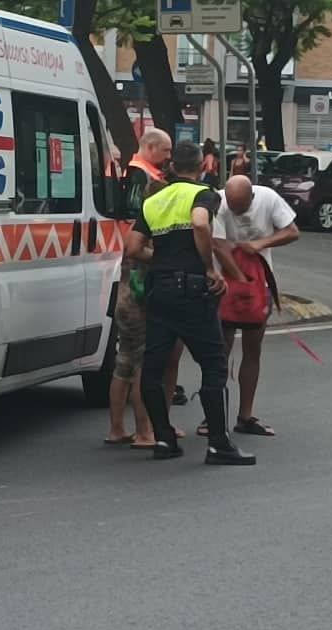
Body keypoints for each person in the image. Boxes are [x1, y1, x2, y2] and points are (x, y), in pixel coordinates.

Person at [126, 141, 257, 465]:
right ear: (201, 166)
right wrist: (209, 267)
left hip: (159, 291)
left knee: (153, 369)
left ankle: (163, 439)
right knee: (214, 366)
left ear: (172, 166)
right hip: (192, 290)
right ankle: (218, 444)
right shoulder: (203, 194)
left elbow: (134, 247)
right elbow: (200, 223)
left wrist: (162, 259)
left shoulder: (154, 200)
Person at [213, 173, 301, 437]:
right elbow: (218, 246)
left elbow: (292, 232)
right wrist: (240, 281)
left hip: (258, 285)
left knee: (253, 351)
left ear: (252, 197)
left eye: (241, 208)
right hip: (226, 286)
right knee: (220, 353)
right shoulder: (218, 202)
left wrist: (261, 243)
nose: (235, 213)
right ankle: (213, 418)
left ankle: (245, 416)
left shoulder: (268, 198)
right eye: (232, 207)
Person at [105, 127, 172, 449]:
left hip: (124, 296)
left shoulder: (134, 176)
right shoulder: (143, 181)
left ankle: (117, 429)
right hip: (140, 297)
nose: (168, 157)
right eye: (165, 150)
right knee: (143, 368)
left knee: (123, 364)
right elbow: (138, 248)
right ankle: (145, 432)